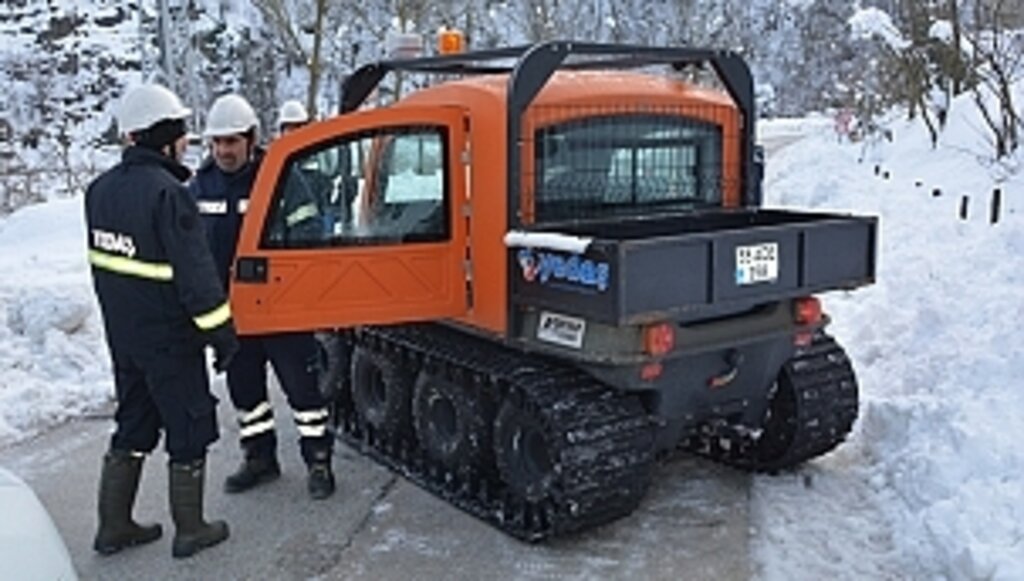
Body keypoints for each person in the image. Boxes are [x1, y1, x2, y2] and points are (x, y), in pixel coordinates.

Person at [86, 83, 236, 559]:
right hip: (170, 340)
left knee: (133, 425)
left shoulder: (99, 191)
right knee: (189, 427)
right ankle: (191, 529)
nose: (188, 142)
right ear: (164, 137)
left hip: (125, 339)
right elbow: (197, 276)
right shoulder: (169, 194)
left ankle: (114, 527)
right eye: (183, 133)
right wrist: (222, 335)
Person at [189, 94, 336, 499]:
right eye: (217, 142)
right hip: (233, 314)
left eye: (232, 141)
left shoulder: (282, 178)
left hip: (282, 309)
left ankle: (319, 461)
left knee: (304, 394)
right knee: (246, 394)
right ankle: (259, 459)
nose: (224, 150)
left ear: (250, 139)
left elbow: (309, 238)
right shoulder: (199, 186)